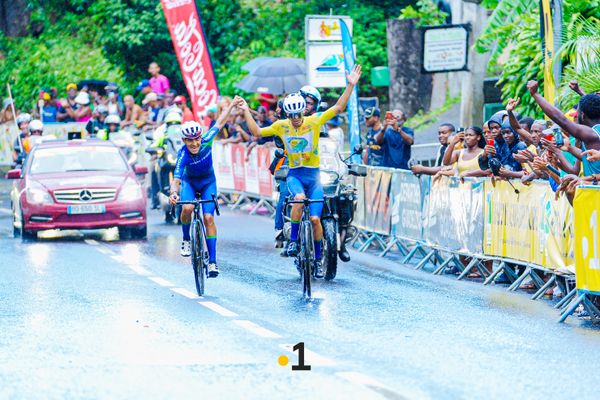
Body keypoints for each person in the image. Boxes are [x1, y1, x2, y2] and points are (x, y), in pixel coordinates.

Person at [241, 65, 363, 279]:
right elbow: (257, 132)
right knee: (297, 198)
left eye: (299, 114)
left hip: (314, 177)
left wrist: (350, 85)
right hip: (296, 175)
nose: (297, 118)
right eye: (293, 115)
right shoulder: (281, 126)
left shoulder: (314, 121)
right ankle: (293, 242)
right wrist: (244, 111)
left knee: (316, 220)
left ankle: (317, 260)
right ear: (287, 114)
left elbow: (338, 108)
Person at [168, 100, 238, 276]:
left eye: (196, 139)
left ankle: (213, 262)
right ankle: (186, 239)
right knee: (187, 208)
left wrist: (231, 106)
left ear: (201, 137)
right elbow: (177, 178)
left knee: (208, 218)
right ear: (184, 140)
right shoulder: (182, 155)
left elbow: (220, 121)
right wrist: (174, 193)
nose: (194, 144)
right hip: (190, 183)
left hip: (208, 182)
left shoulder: (207, 140)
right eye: (189, 141)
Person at [528, 80, 600, 177]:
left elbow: (560, 119)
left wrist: (535, 94)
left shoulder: (592, 134)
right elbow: (587, 156)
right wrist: (570, 148)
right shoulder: (594, 133)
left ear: (582, 116)